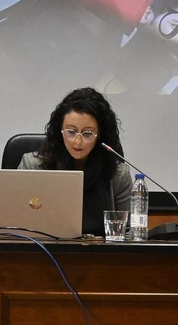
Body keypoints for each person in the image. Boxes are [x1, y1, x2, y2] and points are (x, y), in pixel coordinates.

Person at [17, 86, 134, 237]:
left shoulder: (117, 174)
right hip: (44, 253)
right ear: (60, 131)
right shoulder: (32, 166)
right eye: (71, 132)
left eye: (87, 133)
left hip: (101, 256)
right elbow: (18, 225)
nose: (78, 142)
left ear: (100, 135)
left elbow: (130, 232)